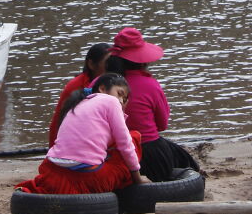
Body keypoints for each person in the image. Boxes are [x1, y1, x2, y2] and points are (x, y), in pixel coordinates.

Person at [16, 73, 150, 194]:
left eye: (124, 98)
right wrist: (137, 179)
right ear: (102, 89)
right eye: (119, 93)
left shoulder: (79, 103)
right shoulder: (110, 101)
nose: (121, 101)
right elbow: (125, 143)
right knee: (134, 138)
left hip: (53, 168)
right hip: (88, 176)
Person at [106, 26, 200, 182]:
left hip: (107, 151)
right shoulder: (150, 85)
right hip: (148, 153)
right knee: (186, 162)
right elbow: (162, 125)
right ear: (143, 61)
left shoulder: (99, 84)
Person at [48, 42, 111, 147]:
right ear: (91, 64)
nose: (111, 67)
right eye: (108, 63)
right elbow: (58, 121)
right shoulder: (75, 86)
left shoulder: (114, 84)